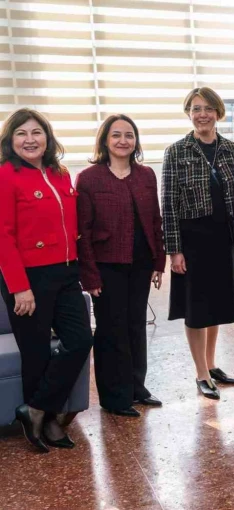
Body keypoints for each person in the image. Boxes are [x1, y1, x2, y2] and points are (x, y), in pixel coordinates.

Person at [0, 108, 93, 452]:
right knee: (36, 352)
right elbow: (3, 236)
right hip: (28, 277)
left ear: (47, 137)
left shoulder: (59, 173)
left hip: (66, 271)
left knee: (81, 340)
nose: (30, 139)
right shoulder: (5, 175)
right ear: (10, 140)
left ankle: (36, 409)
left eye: (36, 132)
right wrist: (18, 286)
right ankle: (46, 422)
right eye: (21, 133)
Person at [76, 114, 165, 417]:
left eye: (129, 135)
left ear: (136, 141)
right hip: (106, 267)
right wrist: (89, 275)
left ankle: (136, 388)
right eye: (116, 135)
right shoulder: (89, 178)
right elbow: (83, 232)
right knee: (112, 331)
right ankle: (114, 398)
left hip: (140, 263)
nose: (123, 141)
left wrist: (158, 261)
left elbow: (155, 220)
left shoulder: (146, 175)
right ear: (105, 140)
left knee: (135, 326)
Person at [161, 87, 234, 400]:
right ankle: (200, 373)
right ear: (188, 113)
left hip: (223, 238)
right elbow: (168, 203)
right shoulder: (176, 151)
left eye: (208, 108)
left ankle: (211, 365)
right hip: (192, 240)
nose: (202, 114)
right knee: (196, 310)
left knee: (217, 306)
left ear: (218, 112)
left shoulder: (233, 150)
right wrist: (174, 250)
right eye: (196, 109)